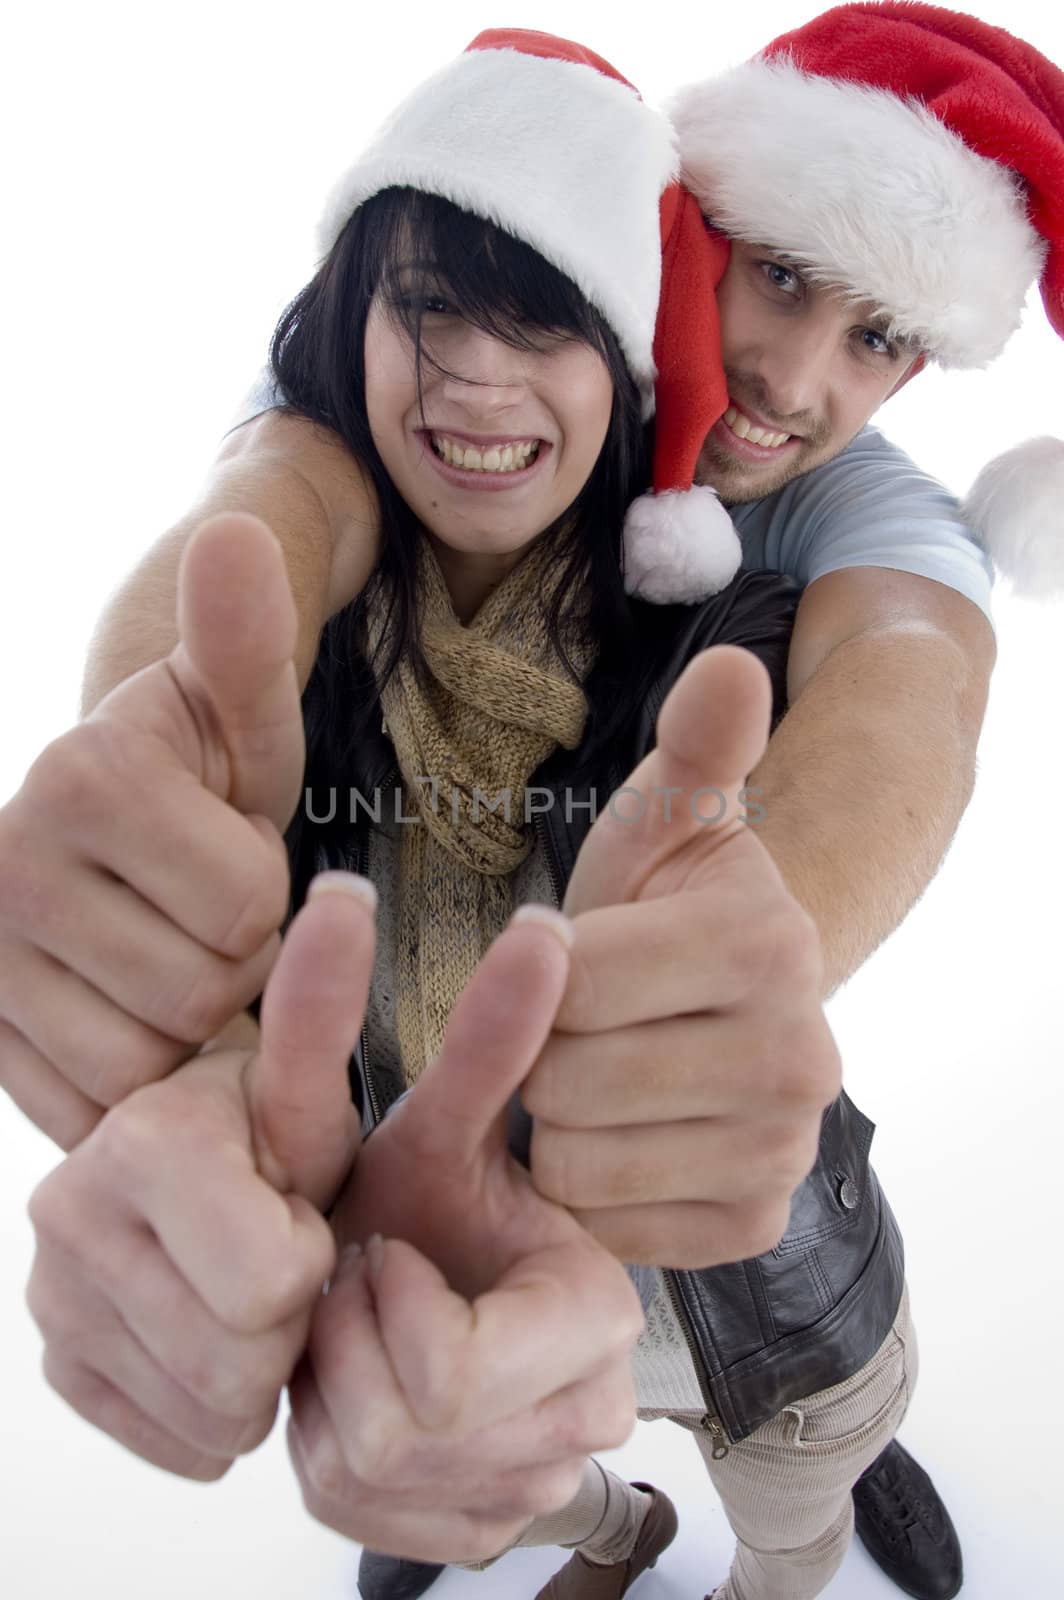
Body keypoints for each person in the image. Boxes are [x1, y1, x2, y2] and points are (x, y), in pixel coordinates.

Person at [16, 24, 905, 1600]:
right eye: (428, 307)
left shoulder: (735, 608)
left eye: (546, 321)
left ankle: (803, 1537)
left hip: (763, 1294)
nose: (478, 374)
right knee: (514, 1476)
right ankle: (616, 1533)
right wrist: (140, 789)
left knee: (791, 1503)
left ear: (631, 360)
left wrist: (766, 938)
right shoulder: (333, 556)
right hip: (452, 1257)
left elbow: (908, 689)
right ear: (354, 320)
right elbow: (251, 552)